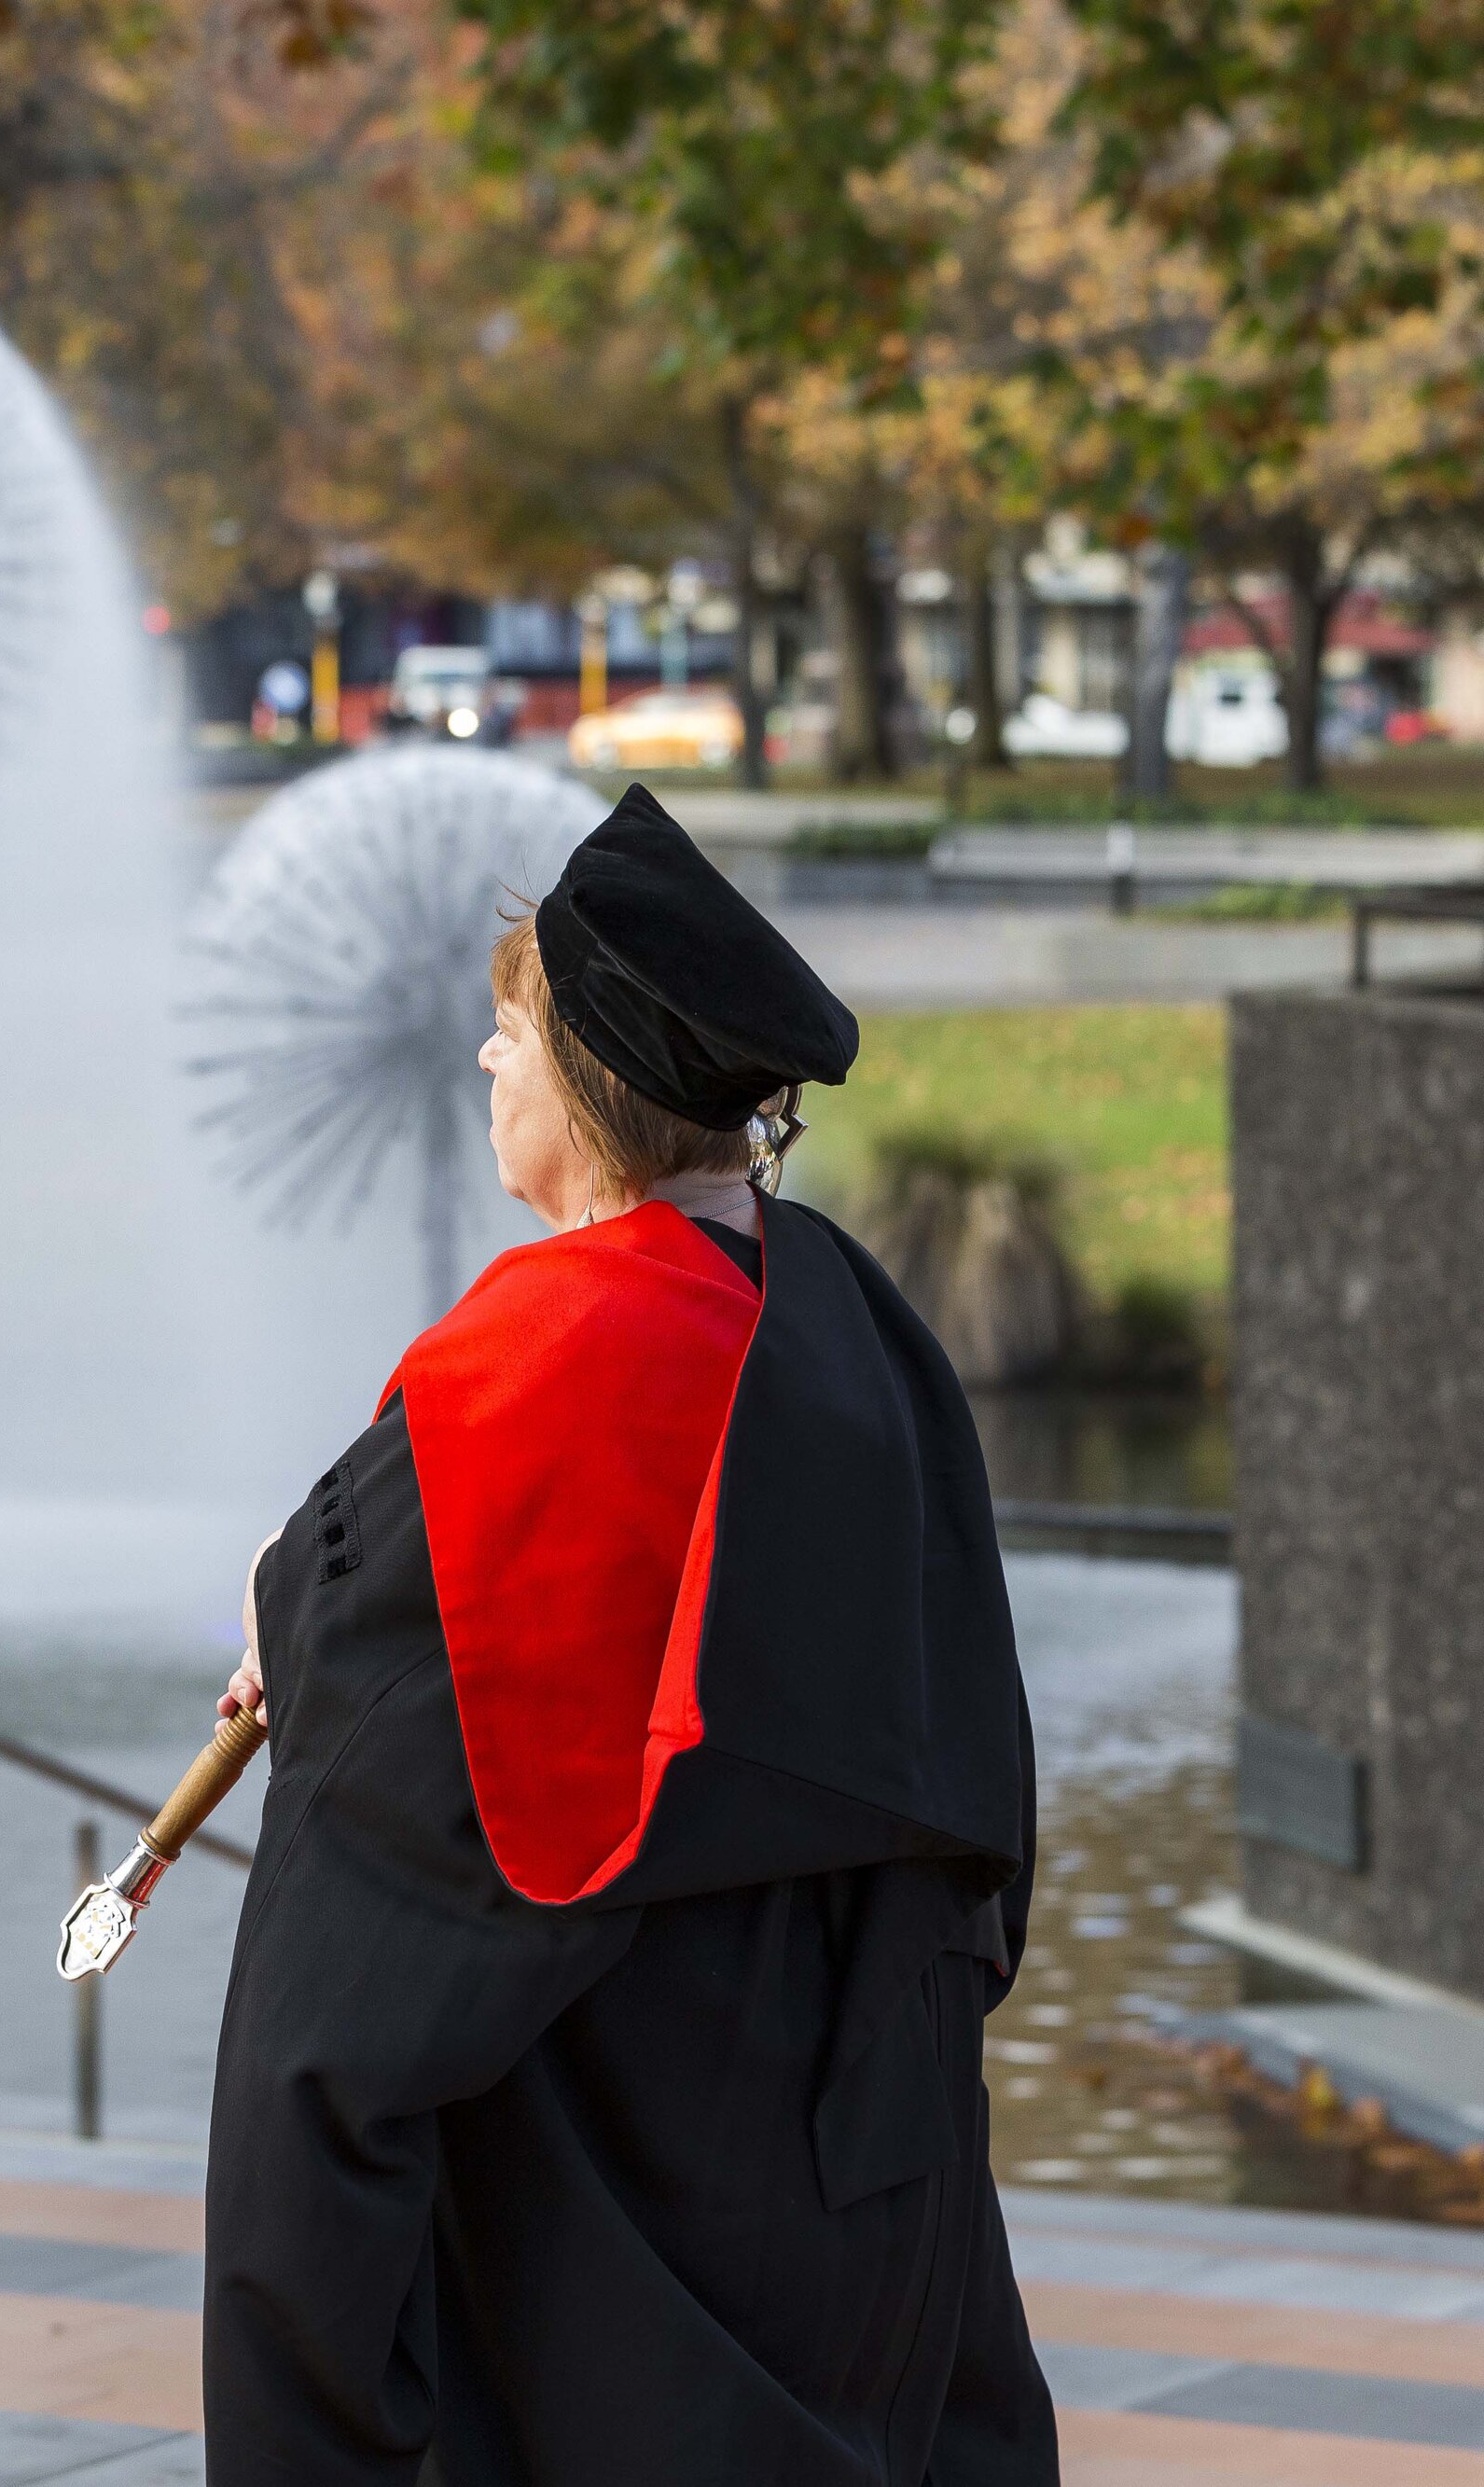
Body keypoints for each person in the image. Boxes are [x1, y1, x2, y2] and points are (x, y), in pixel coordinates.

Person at [203, 784, 1056, 2485]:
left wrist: (307, 1614)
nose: (484, 1058)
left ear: (590, 1080)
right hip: (866, 2249)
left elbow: (330, 2030)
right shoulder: (862, 1342)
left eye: (513, 1028)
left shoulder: (515, 1399)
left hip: (597, 2273)